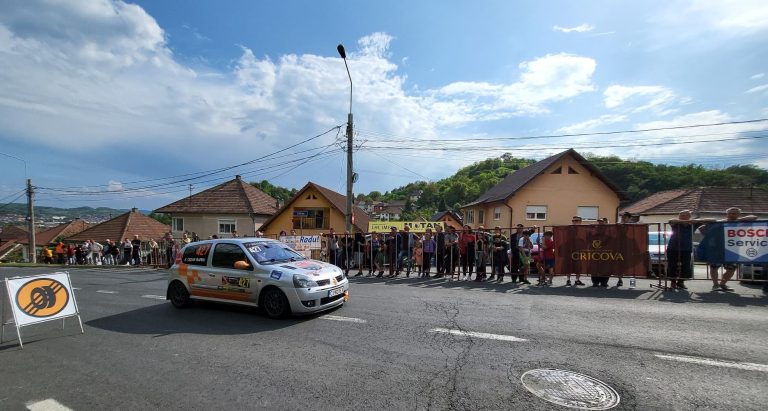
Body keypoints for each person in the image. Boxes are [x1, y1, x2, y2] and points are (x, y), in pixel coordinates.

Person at [704, 207, 758, 291]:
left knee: (731, 269)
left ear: (738, 214)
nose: (731, 215)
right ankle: (715, 285)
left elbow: (754, 217)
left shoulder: (741, 223)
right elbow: (704, 226)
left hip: (733, 249)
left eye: (734, 213)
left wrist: (738, 220)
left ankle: (722, 284)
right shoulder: (720, 222)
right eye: (729, 213)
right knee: (714, 267)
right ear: (726, 214)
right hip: (717, 249)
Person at [667, 210, 714, 289]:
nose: (681, 217)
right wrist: (685, 221)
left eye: (684, 215)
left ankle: (681, 282)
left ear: (689, 216)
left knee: (686, 266)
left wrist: (695, 221)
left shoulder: (693, 224)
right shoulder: (676, 223)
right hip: (673, 247)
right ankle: (673, 282)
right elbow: (671, 220)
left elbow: (712, 220)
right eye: (680, 215)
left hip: (686, 248)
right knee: (672, 265)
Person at [566, 216, 586, 286]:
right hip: (570, 250)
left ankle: (577, 280)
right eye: (573, 220)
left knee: (578, 266)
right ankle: (568, 280)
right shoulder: (569, 228)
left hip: (579, 250)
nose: (574, 222)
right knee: (569, 265)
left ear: (580, 221)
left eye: (576, 220)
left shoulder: (583, 229)